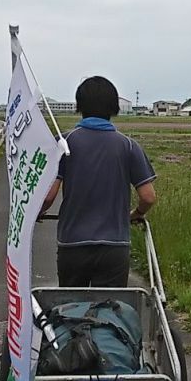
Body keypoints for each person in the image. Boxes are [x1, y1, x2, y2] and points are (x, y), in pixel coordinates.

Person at [40, 76, 156, 288]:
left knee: (71, 311)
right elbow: (148, 197)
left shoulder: (65, 143)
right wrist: (136, 214)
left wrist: (36, 213)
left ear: (79, 106)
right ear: (114, 108)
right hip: (115, 246)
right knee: (110, 312)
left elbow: (48, 196)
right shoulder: (129, 146)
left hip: (73, 244)